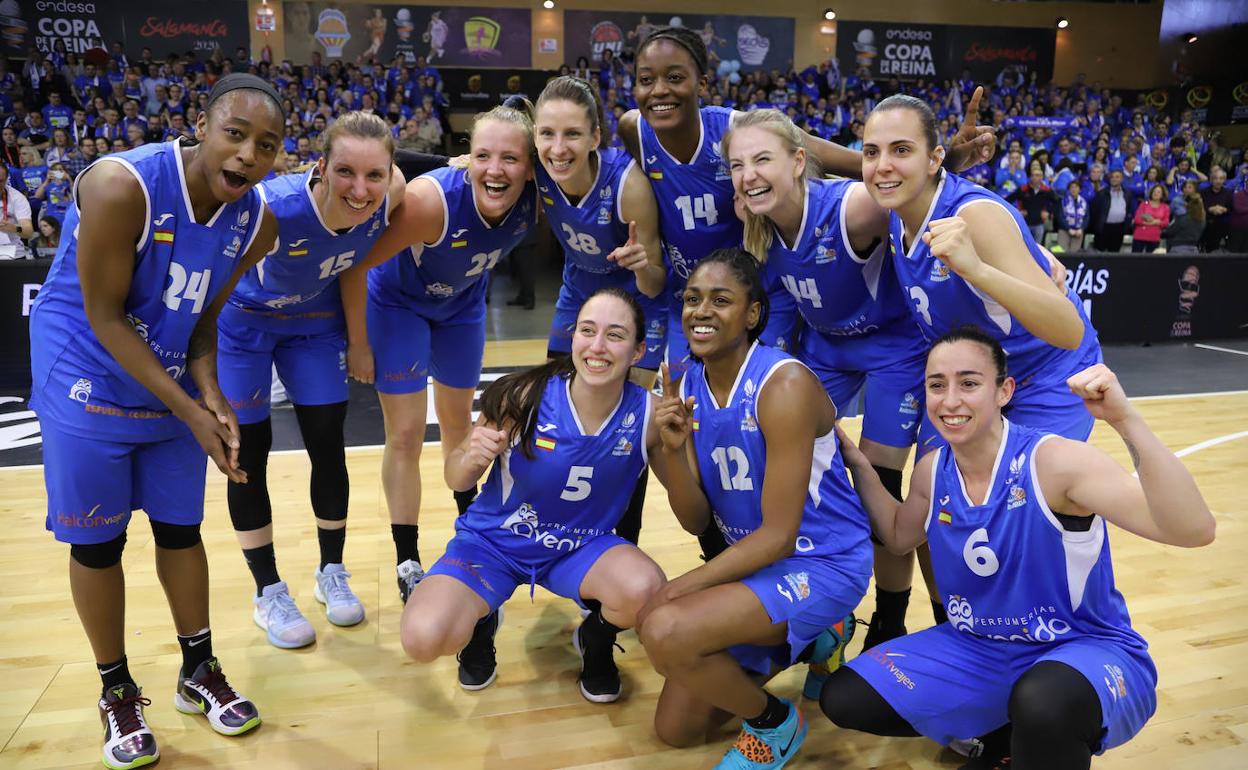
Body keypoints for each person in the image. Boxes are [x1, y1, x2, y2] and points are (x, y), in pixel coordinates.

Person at [27, 73, 284, 769]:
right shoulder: (121, 188)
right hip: (85, 371)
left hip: (164, 368)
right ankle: (115, 688)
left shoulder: (257, 221)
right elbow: (105, 318)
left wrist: (214, 396)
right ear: (200, 125)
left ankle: (196, 670)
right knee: (100, 544)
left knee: (180, 528)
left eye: (267, 144)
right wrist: (190, 413)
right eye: (235, 133)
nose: (248, 154)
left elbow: (201, 323)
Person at [821, 326, 1215, 770]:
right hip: (982, 648)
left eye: (969, 383)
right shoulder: (932, 471)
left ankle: (1030, 731)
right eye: (937, 385)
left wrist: (1125, 420)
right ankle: (1003, 738)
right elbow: (897, 534)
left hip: (1084, 648)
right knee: (847, 697)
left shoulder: (1055, 462)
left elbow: (1194, 529)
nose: (950, 401)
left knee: (1043, 702)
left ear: (1003, 391)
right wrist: (857, 463)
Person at [615, 27, 995, 383]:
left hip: (759, 282)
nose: (660, 90)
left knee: (758, 397)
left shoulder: (739, 129)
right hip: (693, 290)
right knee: (690, 403)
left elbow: (846, 164)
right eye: (646, 80)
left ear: (703, 83)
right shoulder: (635, 130)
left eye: (675, 77)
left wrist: (939, 164)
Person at [639, 249, 872, 770]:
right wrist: (673, 453)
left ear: (752, 314)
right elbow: (695, 520)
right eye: (693, 299)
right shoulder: (690, 383)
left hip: (822, 563)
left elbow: (780, 537)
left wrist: (676, 590)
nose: (701, 311)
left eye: (721, 300)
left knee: (666, 628)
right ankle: (818, 639)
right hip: (761, 566)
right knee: (676, 729)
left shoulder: (782, 384)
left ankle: (775, 724)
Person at [724, 108, 931, 649]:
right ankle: (819, 599)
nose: (748, 174)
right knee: (790, 459)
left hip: (894, 346)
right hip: (826, 347)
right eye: (738, 164)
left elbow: (921, 191)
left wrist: (1026, 251)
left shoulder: (853, 207)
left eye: (762, 159)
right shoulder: (760, 231)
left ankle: (889, 619)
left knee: (880, 481)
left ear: (798, 162)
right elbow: (780, 311)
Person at [399, 288, 667, 701]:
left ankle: (595, 642)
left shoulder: (650, 414)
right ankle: (480, 622)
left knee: (645, 589)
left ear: (637, 351)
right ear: (572, 336)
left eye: (615, 335)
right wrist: (469, 456)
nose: (597, 346)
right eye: (587, 331)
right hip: (494, 544)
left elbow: (688, 509)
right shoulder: (524, 396)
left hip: (578, 548)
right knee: (422, 637)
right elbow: (456, 478)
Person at [217, 111, 406, 649]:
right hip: (245, 329)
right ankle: (267, 590)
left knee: (329, 448)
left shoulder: (388, 194)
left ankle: (331, 573)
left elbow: (353, 266)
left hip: (314, 330)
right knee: (247, 457)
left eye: (374, 175)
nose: (360, 188)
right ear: (321, 167)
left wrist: (360, 341)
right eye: (346, 172)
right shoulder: (270, 209)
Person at [342, 102, 538, 603]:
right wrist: (360, 343)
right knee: (405, 434)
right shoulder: (431, 203)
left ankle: (469, 536)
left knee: (461, 430)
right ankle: (408, 559)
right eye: (482, 156)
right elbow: (356, 264)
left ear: (531, 166)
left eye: (510, 159)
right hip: (398, 305)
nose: (495, 170)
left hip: (462, 307)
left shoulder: (538, 198)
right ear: (466, 157)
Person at [864, 94, 1103, 442]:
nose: (882, 165)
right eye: (871, 152)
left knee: (1025, 488)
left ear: (934, 160)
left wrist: (977, 270)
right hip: (974, 377)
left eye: (901, 150)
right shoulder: (891, 204)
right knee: (932, 489)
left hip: (1046, 374)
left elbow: (1069, 331)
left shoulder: (973, 216)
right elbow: (808, 161)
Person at [533, 75, 666, 546]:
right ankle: (560, 528)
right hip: (580, 291)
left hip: (639, 299)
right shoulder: (539, 165)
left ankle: (622, 540)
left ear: (595, 137)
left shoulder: (628, 186)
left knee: (625, 431)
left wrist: (642, 264)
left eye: (571, 134)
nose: (558, 147)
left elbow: (656, 282)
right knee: (554, 409)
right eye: (547, 134)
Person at [1090, 169, 1134, 253]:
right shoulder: (1102, 193)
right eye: (1112, 177)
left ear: (1122, 179)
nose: (1114, 179)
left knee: (1114, 254)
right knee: (1100, 253)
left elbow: (1129, 210)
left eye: (1117, 177)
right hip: (1104, 228)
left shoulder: (1127, 194)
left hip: (1119, 228)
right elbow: (1094, 211)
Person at [0, 163, 33, 259]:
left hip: (13, 254)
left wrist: (14, 228)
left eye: (0, 181)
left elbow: (28, 231)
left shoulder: (17, 198)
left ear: (7, 179)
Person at [1162, 187, 1204, 254]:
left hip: (1178, 249)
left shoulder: (1182, 218)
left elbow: (1170, 232)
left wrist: (1159, 232)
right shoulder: (1202, 220)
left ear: (1186, 204)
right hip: (1194, 250)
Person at [1131, 184, 1169, 253]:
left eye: (1158, 192)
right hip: (1139, 236)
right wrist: (1154, 222)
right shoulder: (1144, 204)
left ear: (1162, 195)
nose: (1155, 193)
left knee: (1151, 262)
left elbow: (1166, 223)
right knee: (1136, 261)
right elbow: (1137, 219)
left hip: (1154, 238)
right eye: (1154, 191)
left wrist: (1155, 222)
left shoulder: (1165, 207)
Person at [1056, 178, 1088, 253]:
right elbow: (1060, 216)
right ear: (1069, 189)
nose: (1074, 189)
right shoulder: (1063, 201)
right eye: (1072, 187)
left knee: (1075, 254)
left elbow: (1086, 218)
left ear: (1080, 190)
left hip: (1078, 231)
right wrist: (1068, 229)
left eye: (1076, 187)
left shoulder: (1084, 202)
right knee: (1062, 252)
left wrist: (1082, 228)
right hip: (1064, 230)